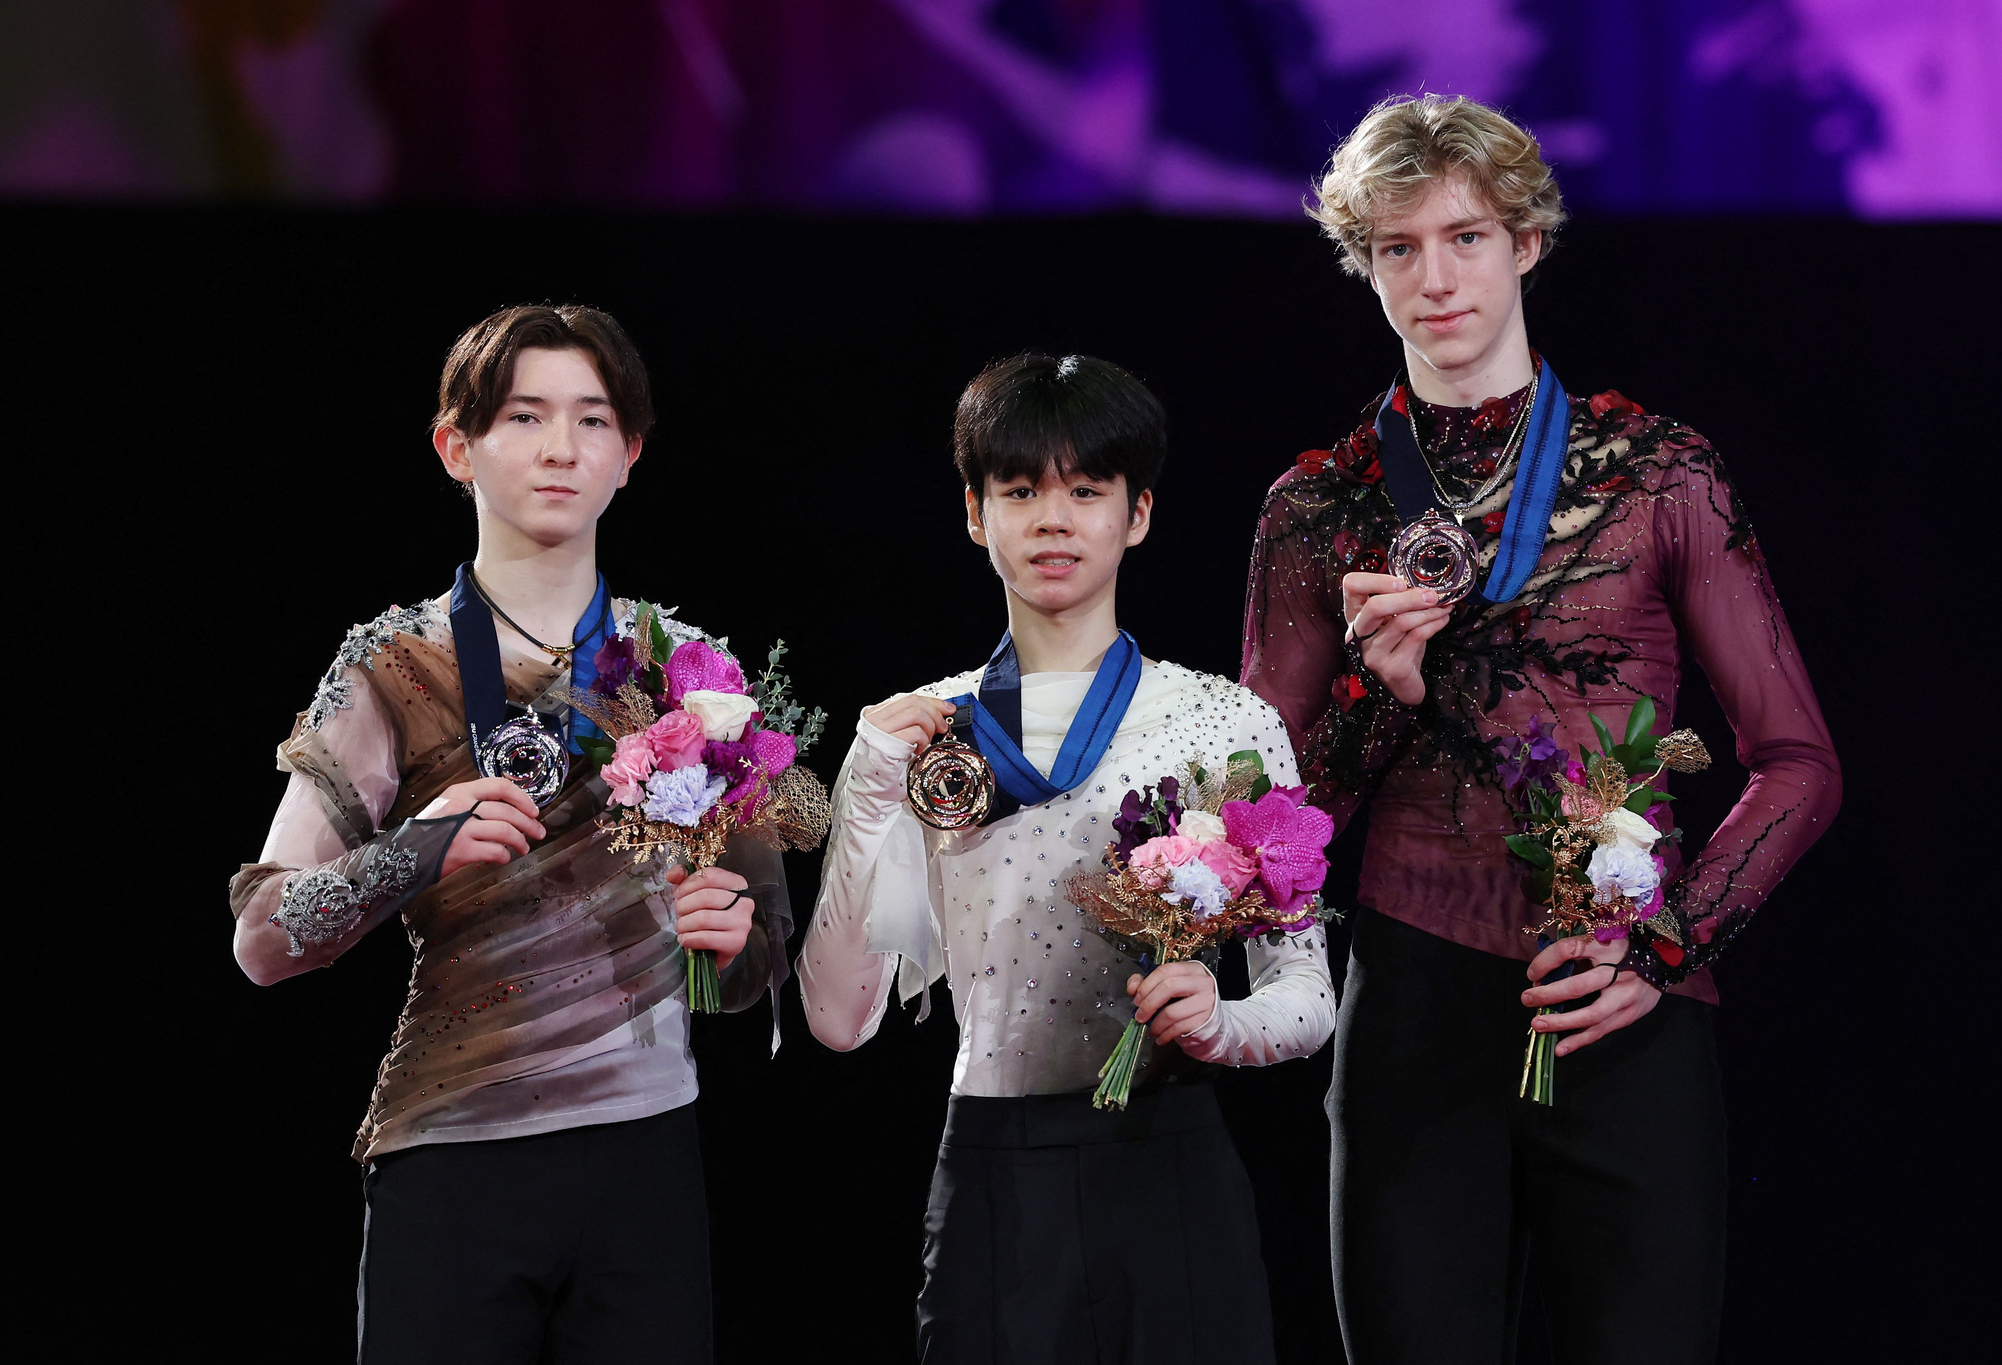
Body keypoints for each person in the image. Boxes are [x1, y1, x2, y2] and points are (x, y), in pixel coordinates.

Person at [1241, 95, 1842, 1364]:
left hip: (1622, 1010)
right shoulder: (1318, 504)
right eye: (1396, 249)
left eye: (1463, 237)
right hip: (1410, 1011)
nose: (1434, 277)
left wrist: (1663, 946)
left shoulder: (1657, 471)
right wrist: (1374, 693)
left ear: (1525, 242)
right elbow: (1266, 827)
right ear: (1364, 264)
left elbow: (1797, 763)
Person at [228, 304, 787, 1364]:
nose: (559, 449)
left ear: (630, 452)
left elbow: (759, 962)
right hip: (455, 1154)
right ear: (457, 446)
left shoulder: (693, 671)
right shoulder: (395, 667)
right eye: (524, 416)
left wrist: (731, 943)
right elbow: (261, 939)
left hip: (645, 1161)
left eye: (591, 419)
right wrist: (416, 846)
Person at [797, 353, 1335, 1364]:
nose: (1053, 519)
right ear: (974, 513)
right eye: (1019, 490)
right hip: (994, 1173)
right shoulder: (920, 735)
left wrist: (1219, 1025)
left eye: (1086, 490)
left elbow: (1307, 996)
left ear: (1136, 514)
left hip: (1170, 1165)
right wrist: (866, 785)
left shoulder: (1221, 721)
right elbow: (836, 1018)